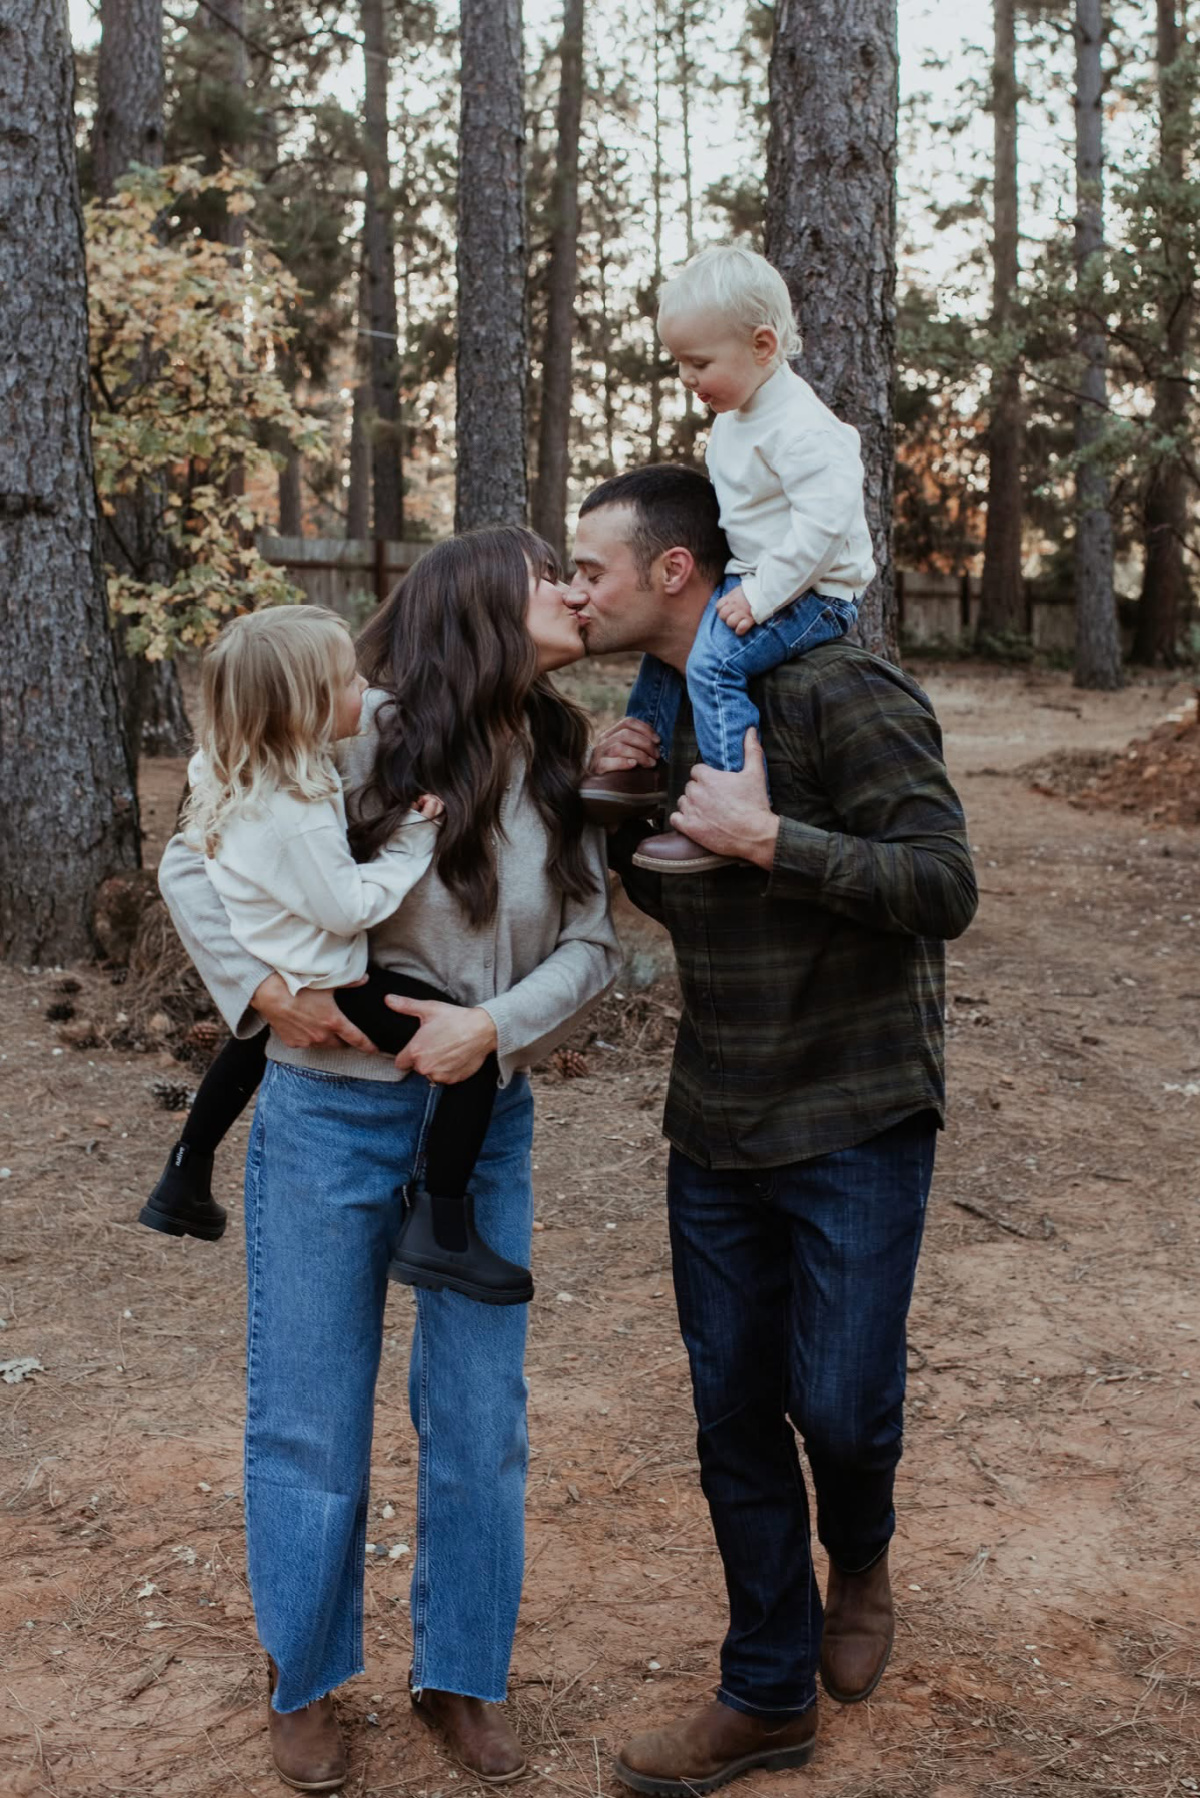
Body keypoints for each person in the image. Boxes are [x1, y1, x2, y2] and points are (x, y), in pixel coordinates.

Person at [157, 526, 620, 1794]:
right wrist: (261, 986)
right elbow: (192, 853)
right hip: (327, 1116)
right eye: (549, 577)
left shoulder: (565, 753)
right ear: (482, 599)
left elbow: (593, 943)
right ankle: (304, 1678)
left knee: (480, 1417)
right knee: (309, 1414)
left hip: (483, 1124)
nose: (577, 592)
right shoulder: (354, 723)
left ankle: (461, 1672)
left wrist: (495, 1026)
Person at [566, 465, 978, 1797]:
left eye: (593, 568)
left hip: (857, 1109)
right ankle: (764, 1692)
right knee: (735, 1409)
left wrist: (769, 839)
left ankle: (860, 1550)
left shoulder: (839, 689)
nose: (578, 592)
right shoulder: (672, 709)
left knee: (844, 1409)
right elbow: (690, 912)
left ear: (674, 570)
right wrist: (623, 815)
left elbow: (941, 885)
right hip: (720, 1119)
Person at [141, 603, 532, 1306]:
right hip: (328, 972)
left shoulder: (239, 766)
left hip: (285, 959)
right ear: (305, 708)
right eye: (350, 682)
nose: (366, 693)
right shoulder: (292, 814)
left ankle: (185, 1173)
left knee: (253, 1042)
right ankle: (443, 1229)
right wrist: (414, 836)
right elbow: (350, 906)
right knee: (469, 1051)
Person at [582, 246, 874, 875]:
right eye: (679, 363)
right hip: (758, 580)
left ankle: (730, 803)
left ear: (763, 346)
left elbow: (822, 528)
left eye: (699, 362)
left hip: (814, 595)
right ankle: (643, 768)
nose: (687, 378)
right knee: (669, 652)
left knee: (713, 666)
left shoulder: (804, 429)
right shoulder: (737, 417)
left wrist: (762, 596)